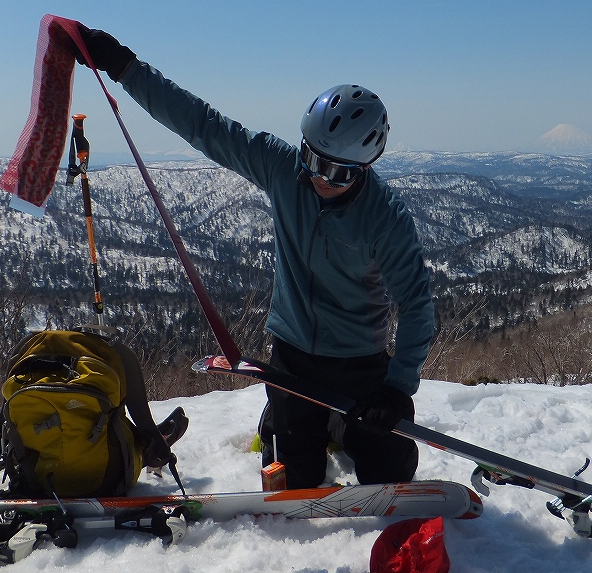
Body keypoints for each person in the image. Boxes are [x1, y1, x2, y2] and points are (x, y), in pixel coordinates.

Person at [74, 24, 435, 489]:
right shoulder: (283, 170)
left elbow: (418, 307)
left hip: (359, 362)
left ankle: (341, 423)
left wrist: (397, 389)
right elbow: (202, 124)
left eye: (333, 169)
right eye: (310, 155)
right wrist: (124, 66)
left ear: (363, 167)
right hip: (291, 356)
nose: (315, 175)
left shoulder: (385, 219)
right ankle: (290, 421)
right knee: (295, 477)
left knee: (389, 473)